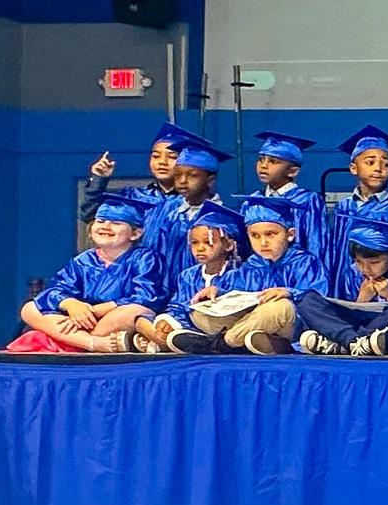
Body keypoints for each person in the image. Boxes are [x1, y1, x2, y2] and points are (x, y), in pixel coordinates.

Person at [166, 194, 327, 355]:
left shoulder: (305, 262)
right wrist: (218, 292)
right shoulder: (251, 264)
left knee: (277, 307)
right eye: (255, 235)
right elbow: (237, 295)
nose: (263, 243)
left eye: (271, 234)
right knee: (200, 312)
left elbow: (318, 299)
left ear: (290, 234)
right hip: (254, 320)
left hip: (291, 324)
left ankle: (222, 343)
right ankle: (261, 343)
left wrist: (289, 292)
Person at [18, 193, 164, 353]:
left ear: (135, 234)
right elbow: (56, 290)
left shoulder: (145, 258)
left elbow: (146, 296)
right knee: (30, 308)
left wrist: (92, 312)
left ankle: (70, 341)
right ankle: (93, 343)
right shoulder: (82, 261)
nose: (106, 226)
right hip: (80, 319)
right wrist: (72, 305)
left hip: (110, 318)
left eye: (116, 223)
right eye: (100, 221)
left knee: (136, 311)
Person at [136, 203, 243, 353]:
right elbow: (177, 305)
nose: (200, 248)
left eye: (208, 242)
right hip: (183, 324)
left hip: (213, 325)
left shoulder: (238, 273)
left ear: (229, 245)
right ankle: (160, 338)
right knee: (142, 320)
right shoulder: (188, 275)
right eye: (194, 243)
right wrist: (167, 321)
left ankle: (156, 341)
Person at [293, 214, 388, 356]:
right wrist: (362, 299)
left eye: (374, 263)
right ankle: (354, 342)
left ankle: (343, 344)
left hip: (384, 323)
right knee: (306, 300)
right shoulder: (352, 272)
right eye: (359, 262)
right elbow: (345, 308)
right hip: (353, 324)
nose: (366, 269)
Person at [325, 125, 388, 299]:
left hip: (383, 284)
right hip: (346, 281)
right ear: (353, 168)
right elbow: (337, 251)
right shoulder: (344, 207)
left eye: (386, 164)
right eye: (370, 162)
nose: (378, 168)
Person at [151, 137, 232, 279]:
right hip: (164, 287)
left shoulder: (221, 218)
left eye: (192, 176)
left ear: (210, 180)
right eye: (177, 175)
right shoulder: (166, 210)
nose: (182, 181)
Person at [251, 131, 327, 257]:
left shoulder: (306, 200)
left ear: (293, 172)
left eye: (273, 161)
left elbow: (316, 243)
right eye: (261, 159)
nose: (263, 166)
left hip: (298, 270)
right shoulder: (253, 200)